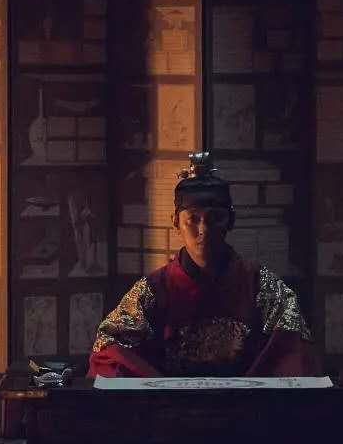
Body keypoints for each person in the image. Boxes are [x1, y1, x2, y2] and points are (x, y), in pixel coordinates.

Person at [89, 152, 320, 377]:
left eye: (215, 218)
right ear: (176, 222)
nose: (204, 230)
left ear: (230, 220)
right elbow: (109, 346)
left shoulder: (260, 286)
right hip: (170, 401)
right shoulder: (153, 289)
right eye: (193, 219)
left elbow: (295, 349)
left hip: (245, 400)